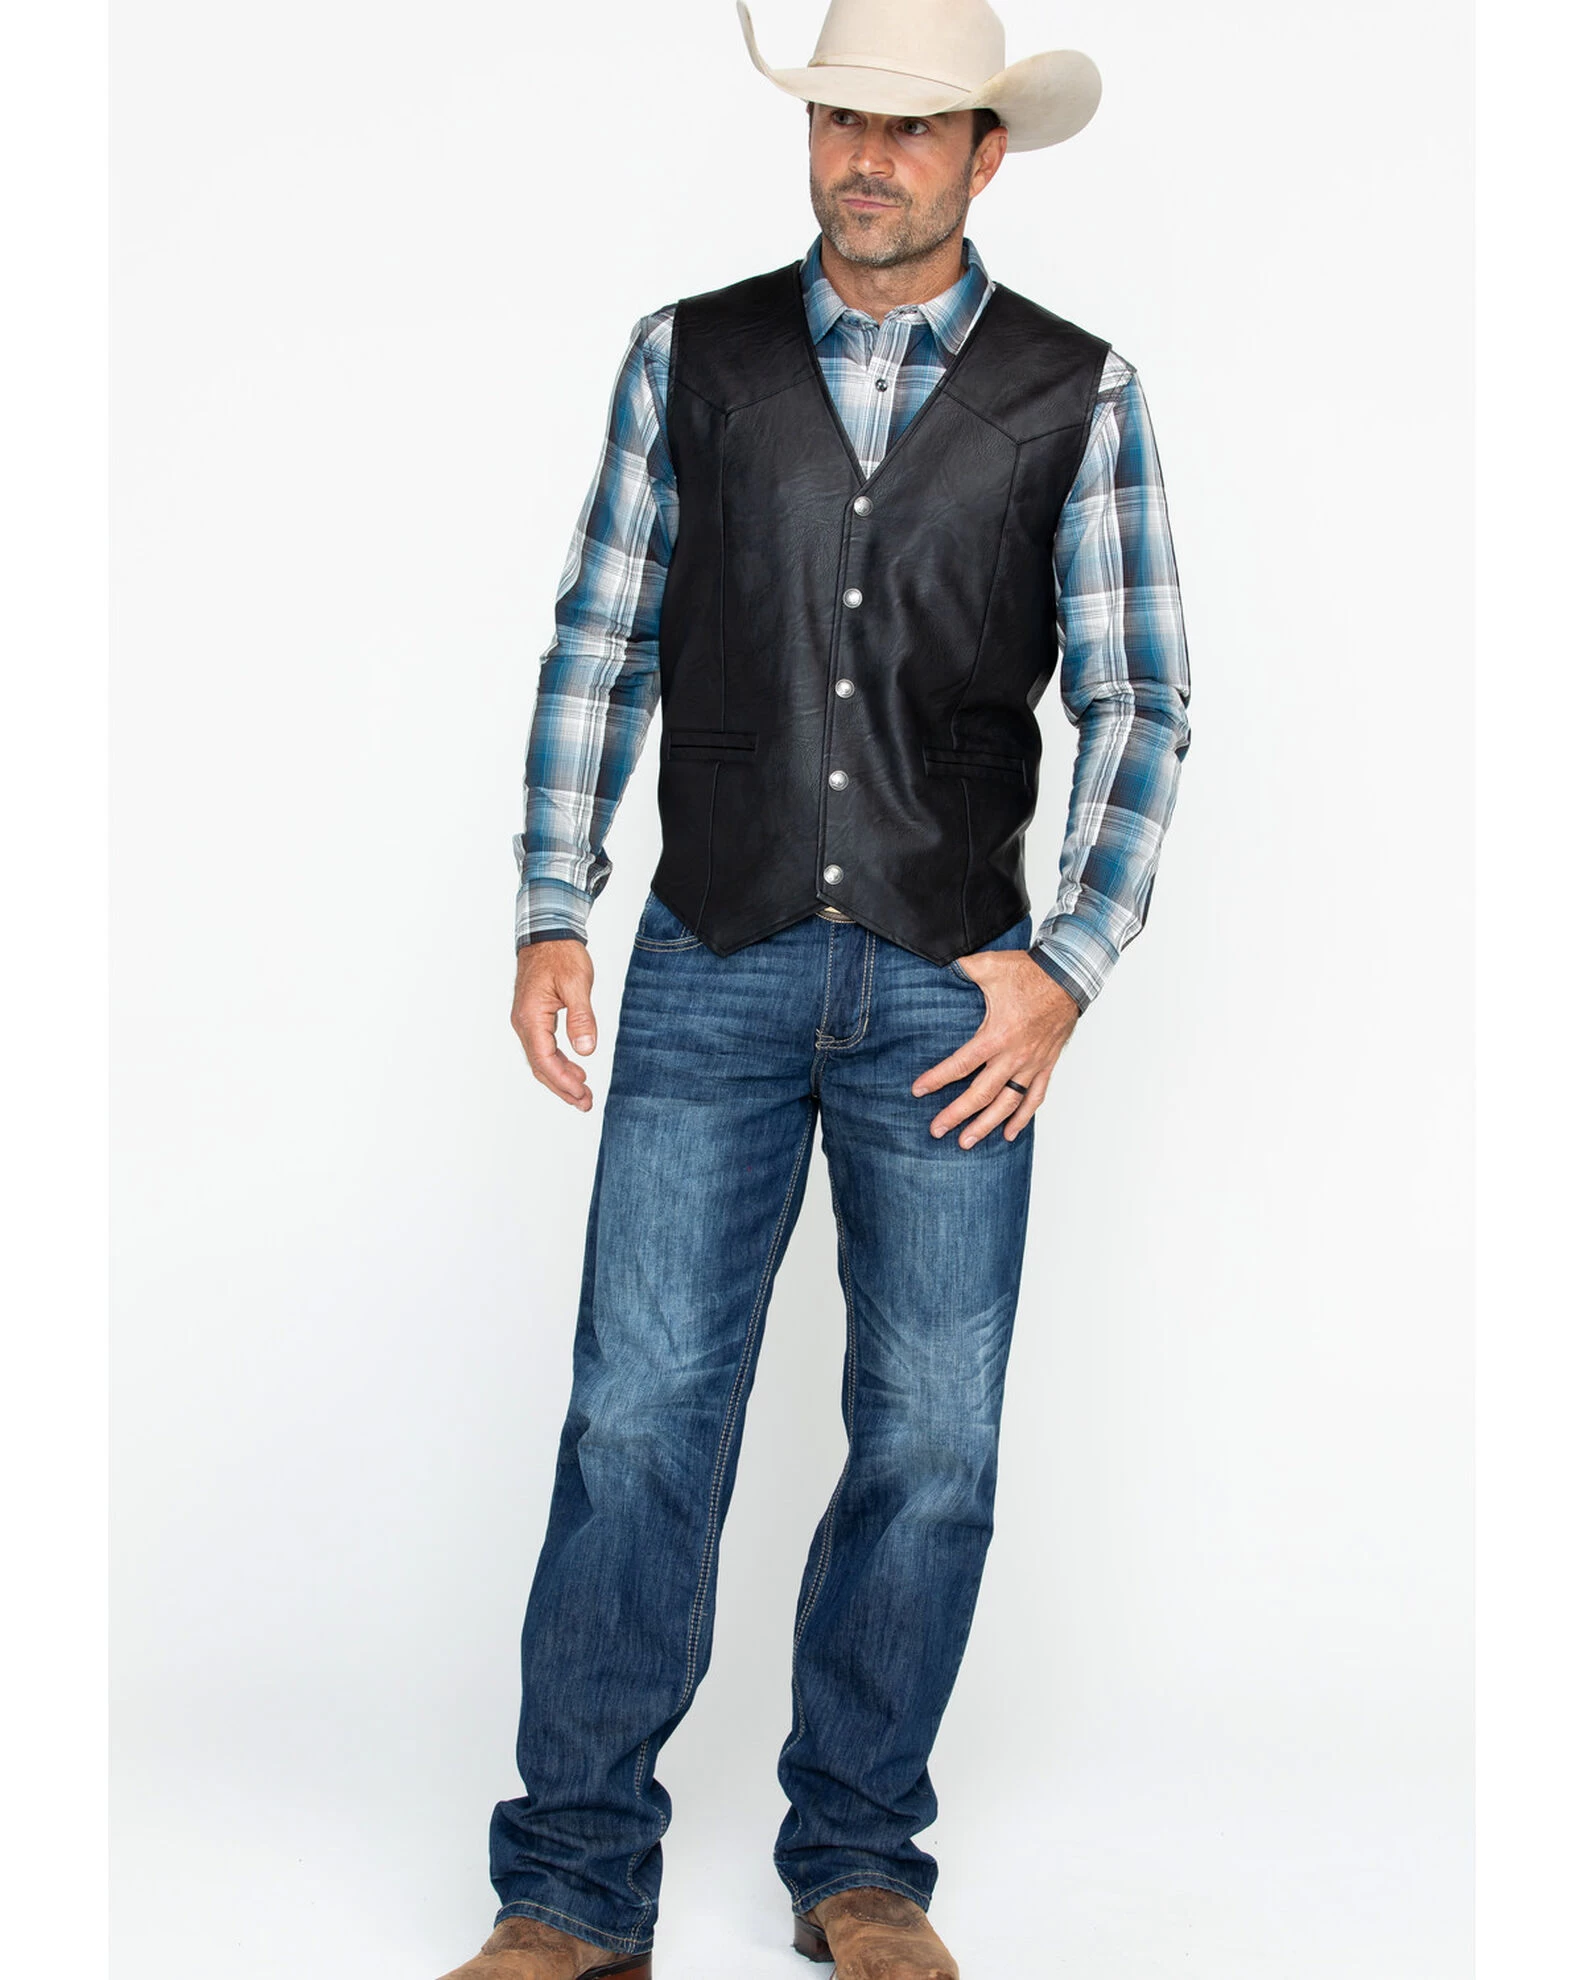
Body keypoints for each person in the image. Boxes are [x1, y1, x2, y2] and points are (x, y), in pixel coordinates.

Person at [438, 1, 1191, 1974]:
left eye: (913, 127)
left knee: (931, 1441)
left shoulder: (1078, 394)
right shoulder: (687, 359)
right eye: (844, 117)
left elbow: (1139, 699)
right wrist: (550, 902)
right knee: (636, 1423)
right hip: (712, 961)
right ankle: (571, 1890)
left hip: (954, 997)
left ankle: (860, 1865)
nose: (868, 156)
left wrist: (1068, 964)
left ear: (986, 154)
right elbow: (601, 637)